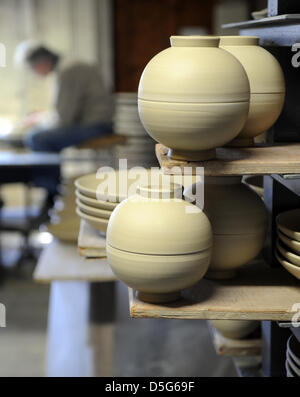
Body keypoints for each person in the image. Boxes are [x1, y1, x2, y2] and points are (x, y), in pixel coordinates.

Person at [14, 41, 114, 152]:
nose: (34, 74)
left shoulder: (68, 70)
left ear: (41, 62)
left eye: (32, 69)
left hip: (96, 126)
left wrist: (39, 119)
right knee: (38, 135)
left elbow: (63, 119)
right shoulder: (66, 67)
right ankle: (51, 169)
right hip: (93, 123)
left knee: (36, 138)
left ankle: (50, 170)